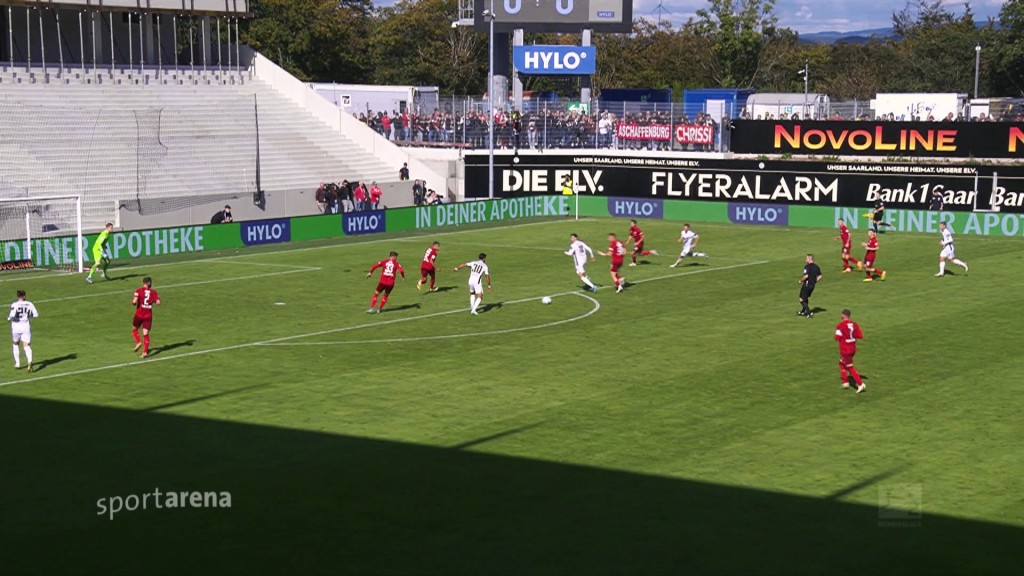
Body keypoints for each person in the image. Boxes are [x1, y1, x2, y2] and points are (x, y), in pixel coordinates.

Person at [835, 308, 866, 394]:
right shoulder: (855, 325)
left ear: (843, 315)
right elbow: (860, 336)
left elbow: (836, 338)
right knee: (841, 363)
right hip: (853, 348)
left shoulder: (840, 326)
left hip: (845, 349)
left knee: (850, 367)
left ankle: (860, 384)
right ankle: (845, 382)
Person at [8, 290, 38, 372]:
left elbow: (11, 315)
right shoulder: (29, 304)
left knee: (15, 344)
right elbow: (35, 314)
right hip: (25, 327)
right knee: (26, 345)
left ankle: (17, 363)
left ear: (17, 297)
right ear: (24, 296)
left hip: (16, 327)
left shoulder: (14, 304)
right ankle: (29, 361)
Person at [132, 277, 161, 358]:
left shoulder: (138, 291)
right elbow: (158, 302)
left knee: (134, 329)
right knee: (146, 333)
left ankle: (138, 342)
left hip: (139, 314)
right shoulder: (154, 292)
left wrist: (134, 302)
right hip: (148, 315)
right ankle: (145, 352)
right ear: (148, 283)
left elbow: (134, 301)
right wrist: (154, 300)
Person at [797, 253, 822, 318]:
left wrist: (801, 281)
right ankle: (803, 311)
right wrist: (814, 281)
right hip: (812, 285)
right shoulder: (816, 266)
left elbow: (806, 276)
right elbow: (820, 276)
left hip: (807, 284)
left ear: (809, 259)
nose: (805, 260)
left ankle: (809, 312)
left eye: (806, 258)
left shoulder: (807, 266)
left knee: (801, 299)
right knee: (806, 297)